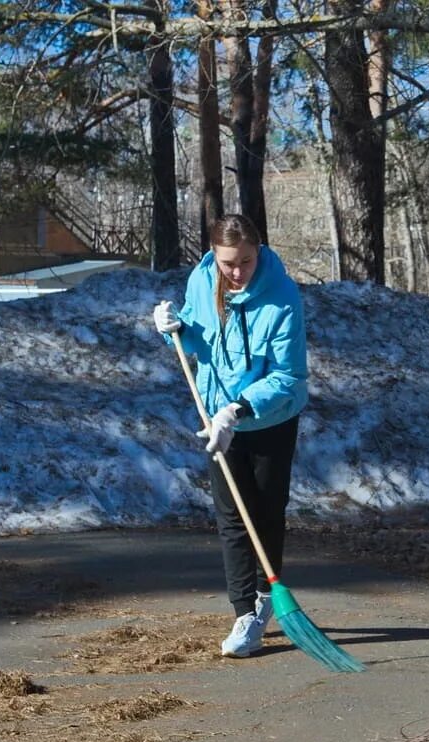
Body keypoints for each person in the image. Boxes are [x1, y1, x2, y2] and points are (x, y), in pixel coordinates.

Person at [152, 214, 308, 657]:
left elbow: (290, 377)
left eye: (246, 261)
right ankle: (246, 611)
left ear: (259, 251)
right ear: (213, 256)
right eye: (228, 263)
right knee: (232, 517)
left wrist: (237, 410)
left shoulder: (282, 299)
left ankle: (265, 596)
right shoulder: (203, 283)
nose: (237, 272)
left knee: (265, 511)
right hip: (215, 416)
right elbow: (198, 345)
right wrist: (175, 330)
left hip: (268, 418)